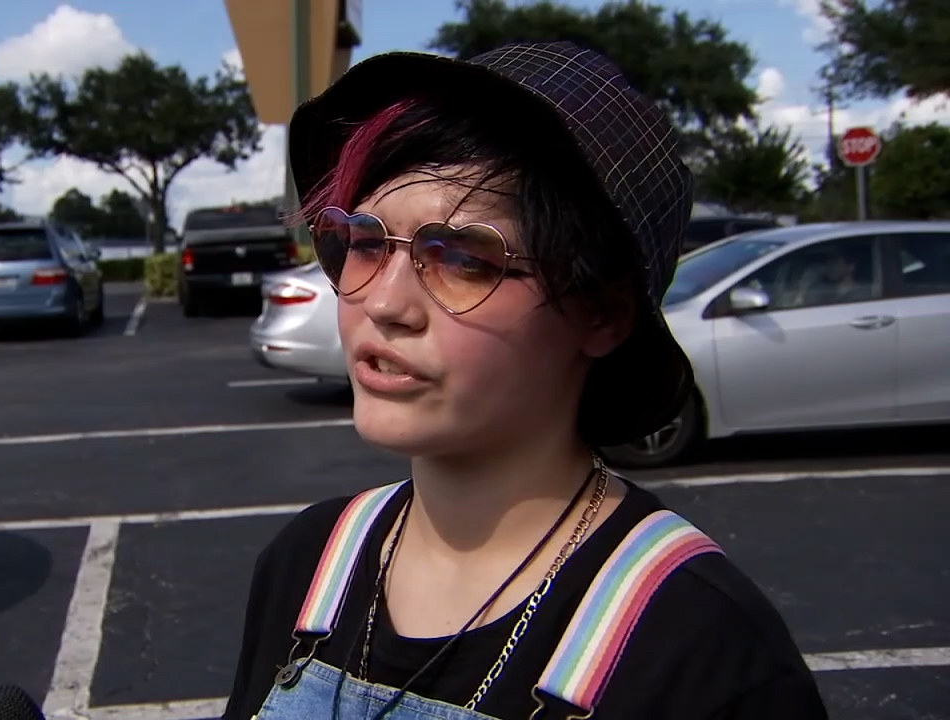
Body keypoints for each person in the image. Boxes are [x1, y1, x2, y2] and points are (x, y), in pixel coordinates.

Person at [222, 42, 828, 720]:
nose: (384, 303)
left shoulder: (702, 649)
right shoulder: (307, 564)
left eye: (461, 258)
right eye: (363, 242)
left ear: (601, 312)